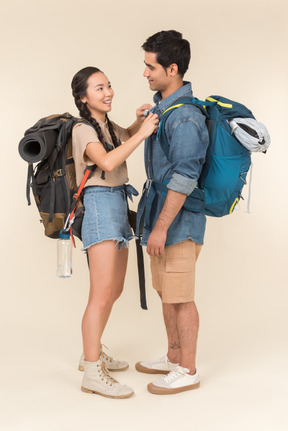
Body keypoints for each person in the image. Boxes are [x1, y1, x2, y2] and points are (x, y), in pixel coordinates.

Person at [71, 66, 159, 399]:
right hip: (99, 205)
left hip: (117, 202)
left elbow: (123, 138)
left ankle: (89, 352)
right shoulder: (82, 129)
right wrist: (143, 133)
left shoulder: (104, 124)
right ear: (83, 97)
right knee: (101, 293)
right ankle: (92, 371)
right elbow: (107, 162)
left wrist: (138, 122)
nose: (108, 93)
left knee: (115, 289)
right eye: (98, 88)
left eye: (108, 86)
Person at [135, 31, 209, 395]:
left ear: (173, 69)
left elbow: (184, 178)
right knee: (167, 292)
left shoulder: (186, 119)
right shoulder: (165, 110)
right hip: (161, 218)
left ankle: (189, 369)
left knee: (181, 297)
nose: (145, 73)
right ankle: (173, 355)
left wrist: (162, 227)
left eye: (151, 66)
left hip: (179, 222)